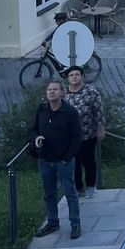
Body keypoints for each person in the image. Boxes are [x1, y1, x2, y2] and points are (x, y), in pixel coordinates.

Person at [30, 79, 83, 239]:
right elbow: (33, 129)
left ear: (62, 92)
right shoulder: (42, 110)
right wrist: (36, 138)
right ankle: (52, 222)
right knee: (49, 193)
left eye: (55, 89)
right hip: (45, 160)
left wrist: (67, 157)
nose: (51, 92)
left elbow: (77, 137)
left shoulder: (70, 112)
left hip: (63, 161)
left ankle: (75, 224)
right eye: (49, 90)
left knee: (69, 193)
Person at [65, 67, 105, 199]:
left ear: (82, 76)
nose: (74, 77)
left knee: (88, 162)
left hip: (88, 133)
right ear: (68, 78)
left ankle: (90, 186)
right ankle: (77, 187)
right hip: (70, 136)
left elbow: (98, 110)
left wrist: (100, 127)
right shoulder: (64, 93)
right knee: (73, 163)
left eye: (77, 74)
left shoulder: (91, 91)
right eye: (71, 75)